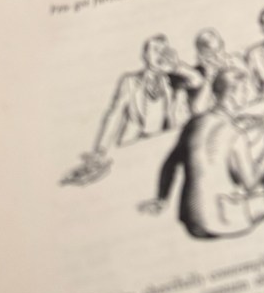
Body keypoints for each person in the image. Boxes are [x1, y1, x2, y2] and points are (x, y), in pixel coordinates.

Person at [139, 64, 264, 237]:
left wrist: (162, 198)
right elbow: (250, 183)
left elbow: (170, 164)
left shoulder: (194, 123)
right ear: (236, 94)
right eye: (245, 90)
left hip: (190, 221)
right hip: (222, 221)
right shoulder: (235, 133)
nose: (248, 95)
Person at [61, 34, 184, 186]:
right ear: (145, 55)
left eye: (163, 50)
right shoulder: (130, 81)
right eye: (155, 50)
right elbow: (114, 114)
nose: (160, 54)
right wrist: (100, 150)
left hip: (161, 146)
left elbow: (195, 82)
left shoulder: (171, 82)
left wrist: (176, 67)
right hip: (134, 144)